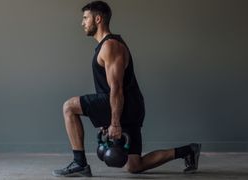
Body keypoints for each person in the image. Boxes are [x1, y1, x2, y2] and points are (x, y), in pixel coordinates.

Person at [53, 1, 201, 177]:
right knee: (134, 165)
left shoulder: (110, 46)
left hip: (124, 105)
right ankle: (188, 150)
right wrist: (105, 117)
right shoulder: (107, 45)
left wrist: (114, 122)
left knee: (69, 107)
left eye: (85, 18)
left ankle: (79, 163)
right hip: (130, 106)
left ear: (98, 19)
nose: (82, 22)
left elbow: (116, 88)